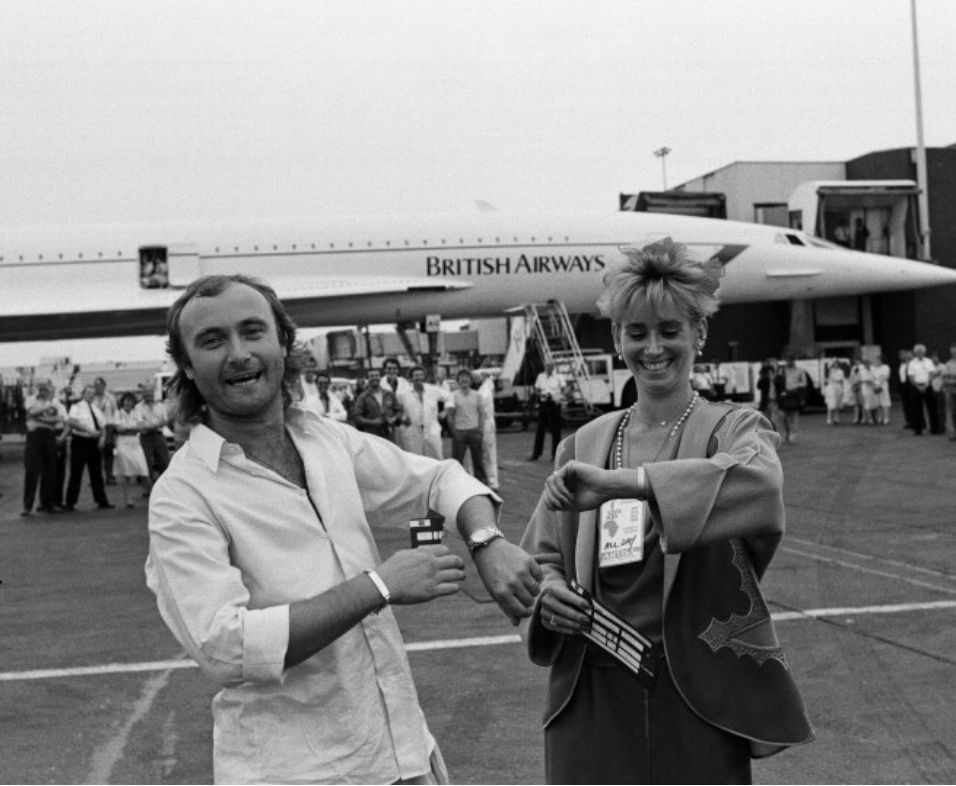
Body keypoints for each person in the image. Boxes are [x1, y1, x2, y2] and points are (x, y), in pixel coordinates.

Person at [144, 274, 541, 784]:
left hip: (401, 753)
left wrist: (488, 543)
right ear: (187, 368)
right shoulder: (183, 493)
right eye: (212, 341)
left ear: (284, 344)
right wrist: (378, 586)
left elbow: (440, 477)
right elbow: (229, 648)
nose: (239, 353)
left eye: (253, 331)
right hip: (300, 771)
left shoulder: (324, 439)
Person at [519, 238, 813, 783]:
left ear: (699, 333)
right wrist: (546, 597)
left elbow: (760, 489)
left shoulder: (735, 428)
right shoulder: (583, 443)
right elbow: (539, 561)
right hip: (592, 689)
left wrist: (624, 484)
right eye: (637, 332)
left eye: (670, 330)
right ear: (616, 338)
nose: (653, 348)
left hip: (697, 692)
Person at [64, 385, 114, 511]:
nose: (91, 395)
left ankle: (101, 500)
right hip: (80, 441)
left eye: (92, 393)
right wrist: (89, 431)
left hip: (94, 443)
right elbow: (72, 422)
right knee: (76, 472)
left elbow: (103, 426)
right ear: (83, 394)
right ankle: (70, 502)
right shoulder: (77, 407)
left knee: (97, 473)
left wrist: (102, 437)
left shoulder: (96, 409)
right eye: (88, 393)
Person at [21, 381, 66, 515]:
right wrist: (46, 410)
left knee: (50, 469)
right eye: (40, 388)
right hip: (34, 435)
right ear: (37, 389)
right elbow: (31, 411)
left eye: (45, 388)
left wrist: (38, 418)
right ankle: (27, 506)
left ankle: (49, 504)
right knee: (31, 470)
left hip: (49, 435)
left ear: (50, 390)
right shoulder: (30, 399)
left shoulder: (56, 404)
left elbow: (58, 419)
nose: (42, 391)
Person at [396, 365, 451, 459]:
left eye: (421, 375)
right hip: (412, 430)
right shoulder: (403, 394)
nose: (419, 377)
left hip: (432, 429)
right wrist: (403, 418)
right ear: (411, 378)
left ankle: (436, 474)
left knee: (436, 456)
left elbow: (449, 397)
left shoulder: (432, 389)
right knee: (416, 458)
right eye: (416, 375)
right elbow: (397, 408)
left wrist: (445, 412)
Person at [448, 368, 488, 484]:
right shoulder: (453, 395)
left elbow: (481, 414)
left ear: (471, 381)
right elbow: (450, 415)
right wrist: (454, 432)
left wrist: (481, 430)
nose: (464, 380)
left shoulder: (477, 395)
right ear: (458, 381)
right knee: (457, 461)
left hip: (475, 432)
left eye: (467, 378)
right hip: (459, 432)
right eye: (461, 378)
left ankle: (480, 483)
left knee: (478, 461)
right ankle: (456, 484)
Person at [112, 391, 151, 507]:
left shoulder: (136, 413)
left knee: (144, 471)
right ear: (122, 402)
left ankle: (153, 494)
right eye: (126, 400)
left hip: (135, 443)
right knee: (126, 473)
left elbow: (141, 427)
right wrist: (134, 428)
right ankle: (128, 499)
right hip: (123, 443)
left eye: (131, 401)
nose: (128, 403)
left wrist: (128, 428)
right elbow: (119, 429)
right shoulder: (118, 413)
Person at [528, 360, 565, 462]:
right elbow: (536, 389)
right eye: (547, 366)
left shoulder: (559, 377)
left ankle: (555, 454)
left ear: (553, 367)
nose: (549, 367)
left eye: (550, 366)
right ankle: (536, 453)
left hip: (555, 402)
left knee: (556, 430)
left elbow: (565, 389)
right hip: (544, 402)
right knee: (540, 428)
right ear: (545, 366)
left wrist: (560, 397)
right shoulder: (541, 376)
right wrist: (540, 394)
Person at [352, 367, 404, 441]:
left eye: (376, 375)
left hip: (389, 434)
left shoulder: (389, 394)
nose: (374, 378)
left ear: (380, 377)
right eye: (371, 376)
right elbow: (357, 417)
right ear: (368, 379)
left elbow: (399, 410)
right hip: (372, 435)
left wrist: (394, 418)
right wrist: (372, 422)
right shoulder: (363, 397)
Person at [135, 385, 172, 483]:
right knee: (146, 464)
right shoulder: (138, 407)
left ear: (153, 392)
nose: (147, 394)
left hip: (158, 436)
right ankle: (150, 489)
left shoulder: (161, 406)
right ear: (142, 394)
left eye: (149, 391)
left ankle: (166, 484)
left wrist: (149, 424)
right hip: (145, 437)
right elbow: (140, 424)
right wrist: (156, 424)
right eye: (145, 392)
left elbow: (165, 421)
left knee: (164, 462)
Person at [906, 344, 941, 435]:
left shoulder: (928, 361)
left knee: (932, 408)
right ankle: (918, 430)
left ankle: (934, 429)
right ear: (915, 353)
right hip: (916, 387)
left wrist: (926, 385)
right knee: (916, 409)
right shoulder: (912, 363)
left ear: (924, 352)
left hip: (927, 386)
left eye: (921, 352)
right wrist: (918, 387)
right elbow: (911, 376)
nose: (919, 353)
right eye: (917, 352)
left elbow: (932, 374)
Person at [476, 370, 500, 491]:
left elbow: (481, 403)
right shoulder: (486, 387)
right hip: (484, 421)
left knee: (488, 452)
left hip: (486, 422)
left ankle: (492, 481)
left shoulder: (485, 388)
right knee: (486, 452)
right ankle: (489, 479)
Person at [92, 377, 118, 485]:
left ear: (104, 386)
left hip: (108, 426)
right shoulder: (91, 398)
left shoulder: (110, 398)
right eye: (95, 386)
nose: (97, 388)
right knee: (95, 453)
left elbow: (114, 411)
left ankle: (109, 476)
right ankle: (97, 477)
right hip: (95, 426)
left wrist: (114, 427)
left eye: (99, 385)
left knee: (108, 453)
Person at [870, 354, 892, 425]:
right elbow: (871, 377)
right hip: (874, 386)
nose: (876, 361)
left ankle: (886, 418)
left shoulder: (885, 367)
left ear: (881, 361)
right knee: (877, 403)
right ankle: (879, 418)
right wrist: (874, 385)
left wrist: (879, 385)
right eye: (876, 360)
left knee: (884, 402)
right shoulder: (872, 368)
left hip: (883, 386)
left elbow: (885, 377)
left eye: (878, 360)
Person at [823, 360, 846, 425]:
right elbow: (827, 377)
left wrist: (843, 389)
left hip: (838, 387)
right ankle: (829, 418)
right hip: (831, 387)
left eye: (836, 364)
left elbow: (842, 380)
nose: (835, 365)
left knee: (837, 403)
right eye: (834, 364)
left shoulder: (841, 371)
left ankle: (836, 418)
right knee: (831, 403)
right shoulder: (830, 371)